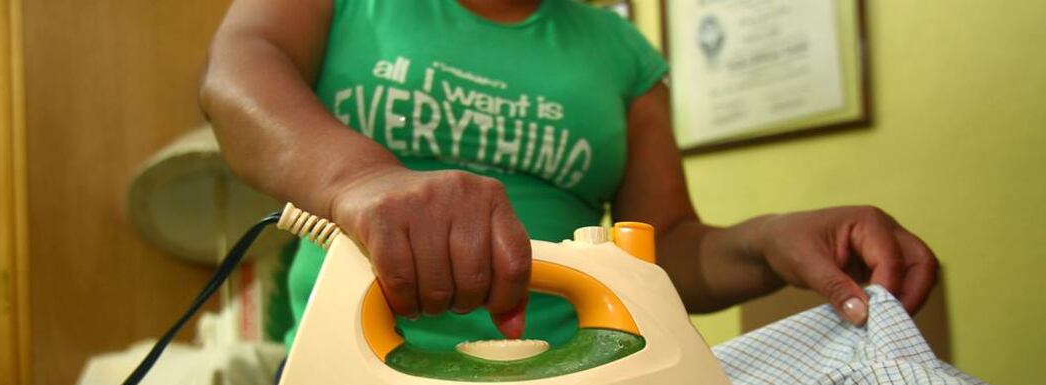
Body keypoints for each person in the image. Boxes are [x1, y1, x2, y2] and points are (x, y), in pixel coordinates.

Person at [200, 0, 937, 352]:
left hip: (563, 373)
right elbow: (236, 76)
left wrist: (768, 241)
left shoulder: (620, 50)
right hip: (351, 361)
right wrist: (360, 178)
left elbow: (664, 249)